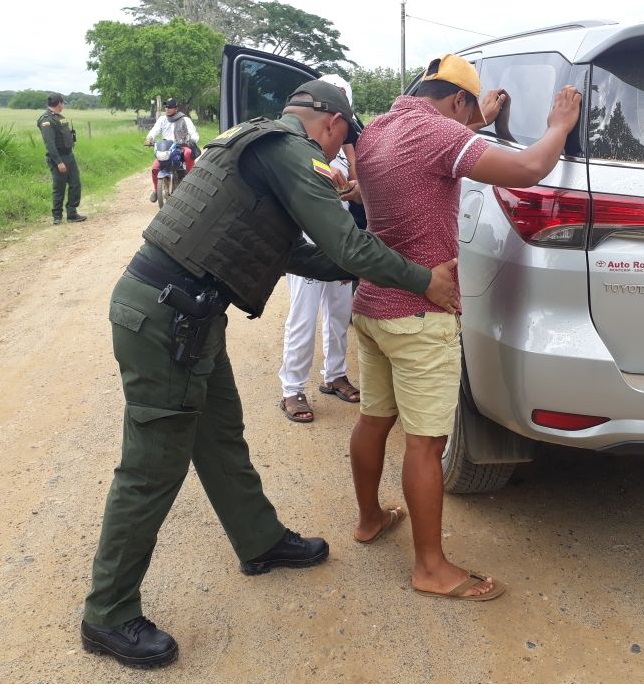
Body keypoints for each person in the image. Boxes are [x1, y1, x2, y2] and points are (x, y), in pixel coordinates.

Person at [80, 79, 459, 669]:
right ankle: (108, 613)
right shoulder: (291, 152)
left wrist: (365, 272)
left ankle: (259, 540)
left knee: (220, 435)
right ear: (331, 122)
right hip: (165, 320)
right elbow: (348, 245)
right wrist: (420, 278)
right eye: (342, 143)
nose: (338, 156)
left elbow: (290, 253)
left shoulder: (256, 142)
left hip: (187, 316)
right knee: (151, 468)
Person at [349, 54, 581, 601]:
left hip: (372, 305)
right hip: (419, 315)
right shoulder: (436, 135)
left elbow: (441, 142)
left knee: (373, 420)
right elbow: (527, 170)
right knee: (426, 444)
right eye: (468, 113)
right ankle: (430, 568)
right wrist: (558, 127)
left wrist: (478, 121)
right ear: (457, 101)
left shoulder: (383, 125)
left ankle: (368, 519)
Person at [278, 74, 362, 423]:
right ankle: (292, 389)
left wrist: (352, 166)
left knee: (339, 313)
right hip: (309, 245)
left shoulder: (344, 144)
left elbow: (357, 182)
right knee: (303, 316)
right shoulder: (296, 145)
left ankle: (334, 375)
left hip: (339, 242)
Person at [37, 92, 85, 225]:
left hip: (69, 155)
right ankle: (57, 216)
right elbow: (50, 144)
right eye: (63, 103)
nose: (63, 105)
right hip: (58, 157)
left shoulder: (59, 117)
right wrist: (59, 162)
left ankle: (72, 213)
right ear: (59, 104)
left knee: (75, 184)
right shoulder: (46, 120)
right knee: (59, 187)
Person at [144, 98, 199, 202]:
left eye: (170, 107)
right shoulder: (162, 119)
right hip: (167, 147)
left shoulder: (185, 119)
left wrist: (192, 140)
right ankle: (156, 191)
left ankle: (191, 178)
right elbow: (154, 131)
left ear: (176, 108)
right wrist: (149, 139)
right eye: (166, 107)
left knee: (188, 153)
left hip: (181, 145)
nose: (167, 109)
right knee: (155, 168)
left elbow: (194, 133)